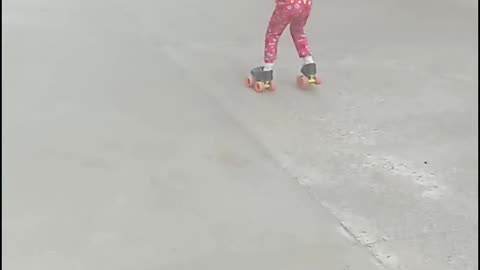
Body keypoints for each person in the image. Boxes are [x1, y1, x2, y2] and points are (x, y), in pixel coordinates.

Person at [250, 0, 317, 84]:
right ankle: (309, 63)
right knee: (298, 31)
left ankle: (267, 69)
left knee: (272, 35)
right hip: (305, 4)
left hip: (288, 5)